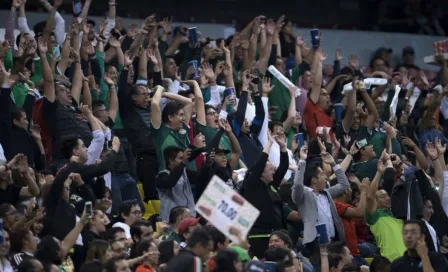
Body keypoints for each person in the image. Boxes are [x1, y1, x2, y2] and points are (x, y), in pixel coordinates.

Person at [292, 146, 350, 264]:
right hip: (316, 245)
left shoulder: (327, 193)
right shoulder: (303, 195)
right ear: (314, 179)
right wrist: (302, 161)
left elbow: (344, 185)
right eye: (322, 174)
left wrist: (334, 163)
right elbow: (297, 185)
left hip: (334, 243)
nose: (326, 177)